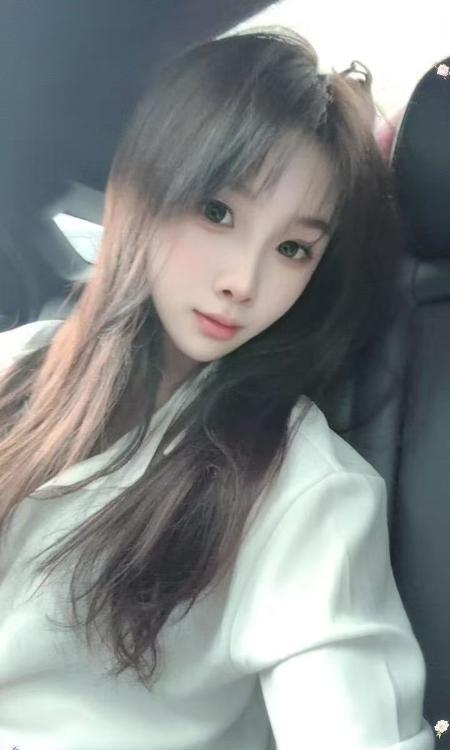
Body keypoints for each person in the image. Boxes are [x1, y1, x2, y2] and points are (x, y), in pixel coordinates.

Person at [0, 28, 434, 750]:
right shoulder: (16, 364)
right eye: (217, 212)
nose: (243, 280)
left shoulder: (301, 489)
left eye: (292, 248)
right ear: (143, 187)